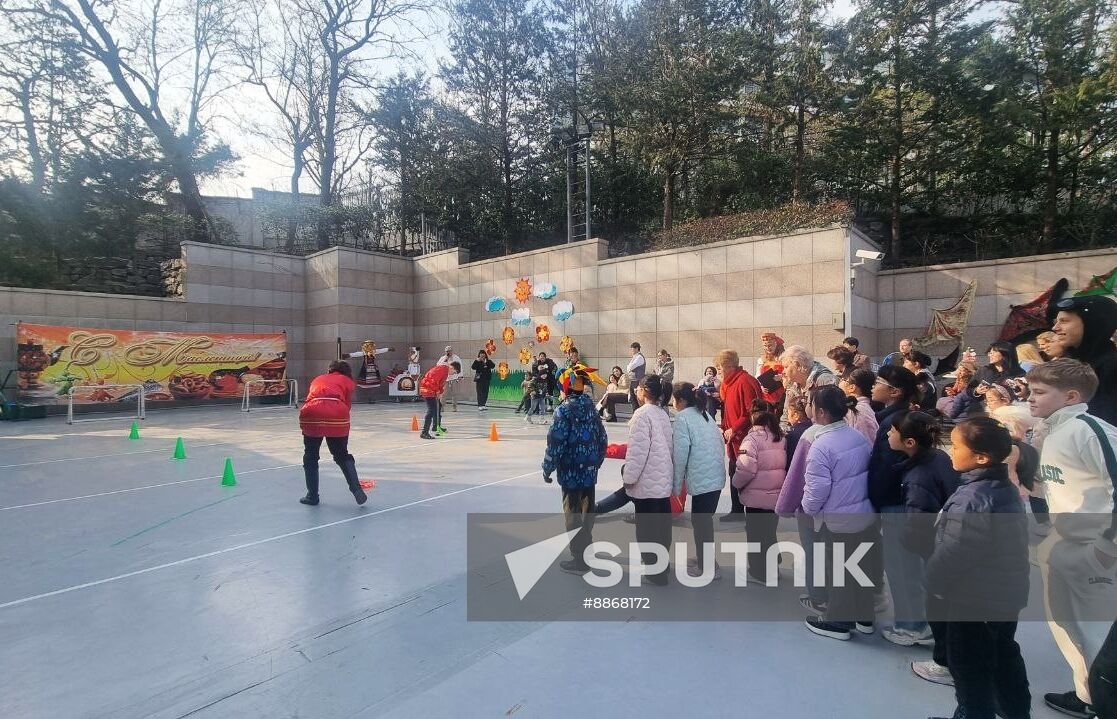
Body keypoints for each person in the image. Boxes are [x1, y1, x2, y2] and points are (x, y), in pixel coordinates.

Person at [1027, 359, 1117, 718]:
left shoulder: (1092, 431)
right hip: (1062, 542)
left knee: (1096, 632)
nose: (1030, 399)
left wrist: (1107, 548)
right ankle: (1088, 696)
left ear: (1071, 396)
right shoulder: (1051, 431)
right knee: (1066, 627)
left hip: (1094, 551)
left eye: (1039, 392)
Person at [924, 417, 1031, 719]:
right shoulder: (998, 487)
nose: (951, 451)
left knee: (970, 668)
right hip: (1001, 596)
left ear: (981, 457)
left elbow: (956, 551)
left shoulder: (975, 498)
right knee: (1003, 658)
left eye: (956, 447)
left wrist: (932, 583)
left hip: (974, 599)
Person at [801, 386, 878, 641]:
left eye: (810, 402)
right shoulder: (856, 436)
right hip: (863, 513)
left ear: (821, 411)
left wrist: (809, 510)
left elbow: (817, 488)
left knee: (839, 571)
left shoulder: (821, 445)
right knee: (860, 567)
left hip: (838, 519)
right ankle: (865, 618)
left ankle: (838, 621)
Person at [881, 411, 961, 649]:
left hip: (921, 536)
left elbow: (919, 516)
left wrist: (907, 541)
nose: (888, 433)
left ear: (909, 442)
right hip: (940, 535)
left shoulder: (918, 476)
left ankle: (910, 627)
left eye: (893, 431)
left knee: (907, 573)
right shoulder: (938, 457)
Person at [543, 365, 609, 574]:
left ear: (566, 388)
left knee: (572, 513)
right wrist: (596, 461)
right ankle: (587, 550)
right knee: (587, 511)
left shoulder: (563, 410)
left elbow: (556, 441)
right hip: (589, 471)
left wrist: (547, 467)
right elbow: (602, 437)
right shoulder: (591, 407)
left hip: (570, 472)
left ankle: (579, 559)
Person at [619, 374, 675, 585]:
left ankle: (654, 572)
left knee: (647, 529)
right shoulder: (662, 414)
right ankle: (661, 566)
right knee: (662, 527)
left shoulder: (641, 415)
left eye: (638, 388)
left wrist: (629, 477)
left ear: (644, 391)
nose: (636, 391)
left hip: (646, 482)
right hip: (662, 480)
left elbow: (637, 452)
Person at [671, 382, 728, 579]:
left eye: (674, 399)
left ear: (682, 400)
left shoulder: (682, 418)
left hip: (704, 478)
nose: (673, 403)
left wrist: (677, 485)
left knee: (701, 522)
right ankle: (706, 559)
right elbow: (721, 445)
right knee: (704, 521)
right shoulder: (705, 415)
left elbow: (680, 454)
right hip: (715, 475)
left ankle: (708, 568)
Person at [297, 360, 368, 506]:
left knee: (310, 455)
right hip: (337, 412)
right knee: (341, 454)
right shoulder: (348, 381)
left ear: (330, 370)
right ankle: (355, 488)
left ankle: (312, 496)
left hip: (312, 411)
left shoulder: (318, 378)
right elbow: (347, 405)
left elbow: (310, 396)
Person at [732, 399, 787, 584]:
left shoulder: (751, 440)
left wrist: (736, 483)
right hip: (775, 495)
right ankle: (774, 567)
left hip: (756, 496)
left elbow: (746, 469)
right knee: (769, 533)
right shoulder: (780, 437)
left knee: (756, 535)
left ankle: (760, 572)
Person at [1052, 295, 1117, 426]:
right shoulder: (1072, 363)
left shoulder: (1111, 365)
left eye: (1064, 321)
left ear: (1092, 323)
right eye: (1056, 322)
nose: (1055, 328)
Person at [716, 349, 764, 522]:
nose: (718, 370)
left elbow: (752, 411)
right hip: (735, 439)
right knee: (734, 473)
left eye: (720, 366)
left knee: (746, 475)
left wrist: (734, 428)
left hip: (745, 439)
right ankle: (736, 509)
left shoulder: (745, 381)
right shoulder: (730, 383)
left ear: (729, 366)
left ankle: (749, 513)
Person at [780, 345, 837, 430]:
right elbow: (785, 418)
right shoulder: (792, 383)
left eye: (786, 367)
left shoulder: (824, 380)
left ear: (798, 365)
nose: (783, 372)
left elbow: (836, 415)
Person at [419, 360, 460, 439]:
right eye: (454, 372)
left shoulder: (445, 372)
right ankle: (424, 432)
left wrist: (440, 391)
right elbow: (432, 380)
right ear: (452, 368)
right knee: (432, 409)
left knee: (438, 407)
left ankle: (436, 427)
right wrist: (437, 391)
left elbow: (440, 383)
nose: (453, 374)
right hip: (427, 389)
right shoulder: (442, 369)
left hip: (432, 390)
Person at [840, 368, 879, 444]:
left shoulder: (858, 411)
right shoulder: (857, 406)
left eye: (845, 380)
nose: (841, 382)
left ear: (852, 387)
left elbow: (866, 442)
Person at [756, 332, 786, 409]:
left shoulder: (784, 358)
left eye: (770, 345)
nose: (768, 348)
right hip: (766, 397)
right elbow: (758, 377)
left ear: (776, 345)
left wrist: (782, 378)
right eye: (765, 346)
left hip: (782, 396)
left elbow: (791, 375)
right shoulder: (762, 360)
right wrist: (761, 387)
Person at [436, 346, 463, 411]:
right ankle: (442, 406)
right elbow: (438, 366)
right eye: (447, 351)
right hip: (445, 378)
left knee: (454, 393)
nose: (448, 352)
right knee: (443, 393)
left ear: (452, 351)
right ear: (445, 352)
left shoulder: (456, 358)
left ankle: (454, 406)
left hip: (454, 377)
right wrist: (445, 360)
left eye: (449, 351)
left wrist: (460, 376)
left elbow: (460, 367)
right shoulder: (442, 358)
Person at [625, 342, 647, 408]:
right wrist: (629, 367)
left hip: (637, 381)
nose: (631, 351)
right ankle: (635, 415)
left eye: (632, 349)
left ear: (637, 349)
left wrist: (629, 367)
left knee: (637, 400)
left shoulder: (639, 357)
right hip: (633, 381)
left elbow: (630, 367)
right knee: (633, 399)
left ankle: (639, 415)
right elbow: (628, 368)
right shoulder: (635, 357)